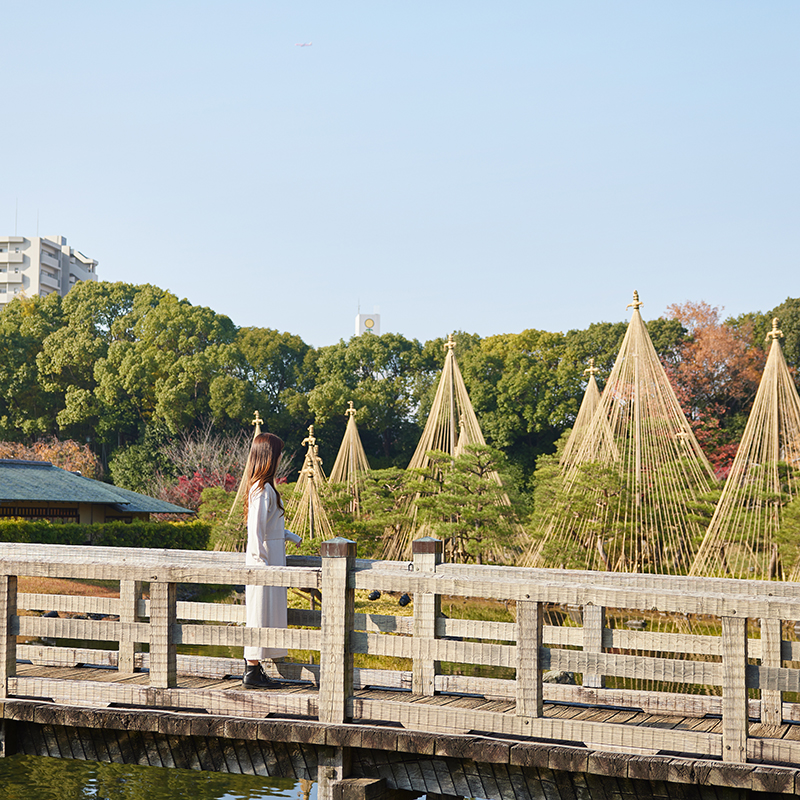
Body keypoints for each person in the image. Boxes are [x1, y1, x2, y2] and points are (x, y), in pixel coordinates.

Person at [241, 432, 301, 689]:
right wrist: (260, 562)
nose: (279, 459)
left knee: (266, 613)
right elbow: (254, 529)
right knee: (258, 613)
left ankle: (255, 669)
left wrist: (290, 536)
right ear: (268, 457)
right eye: (277, 454)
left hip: (271, 557)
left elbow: (268, 527)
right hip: (263, 562)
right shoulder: (262, 489)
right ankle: (252, 671)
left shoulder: (264, 489)